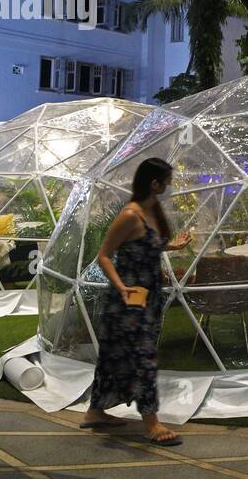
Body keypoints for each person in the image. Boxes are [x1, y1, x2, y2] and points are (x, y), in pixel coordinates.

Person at [80, 157, 192, 445]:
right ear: (153, 183)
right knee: (144, 359)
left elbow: (143, 245)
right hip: (130, 303)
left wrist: (172, 245)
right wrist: (121, 287)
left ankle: (95, 411)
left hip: (148, 299)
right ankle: (151, 422)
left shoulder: (150, 211)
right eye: (166, 183)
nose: (169, 188)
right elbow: (104, 255)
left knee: (112, 356)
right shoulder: (131, 214)